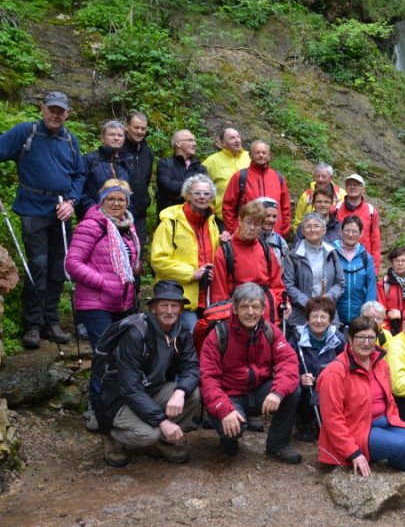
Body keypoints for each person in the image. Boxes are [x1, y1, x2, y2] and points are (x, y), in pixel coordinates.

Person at [0, 91, 84, 348]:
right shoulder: (26, 132)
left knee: (59, 268)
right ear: (42, 108)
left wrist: (71, 202)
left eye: (61, 111)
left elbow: (79, 175)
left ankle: (52, 321)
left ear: (67, 113)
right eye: (52, 109)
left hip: (61, 211)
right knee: (38, 266)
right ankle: (33, 325)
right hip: (33, 209)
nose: (55, 115)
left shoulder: (70, 140)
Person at [316, 315, 405, 487]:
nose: (366, 342)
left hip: (384, 421)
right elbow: (332, 418)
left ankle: (392, 456)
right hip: (356, 427)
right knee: (401, 445)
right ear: (350, 339)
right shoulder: (336, 372)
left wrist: (396, 421)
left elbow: (389, 399)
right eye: (360, 337)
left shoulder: (380, 363)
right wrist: (353, 452)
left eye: (371, 337)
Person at [95, 280, 200, 467]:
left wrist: (180, 391)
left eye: (174, 305)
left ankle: (161, 442)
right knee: (149, 434)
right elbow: (130, 388)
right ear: (153, 308)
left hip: (153, 389)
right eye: (163, 305)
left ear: (181, 309)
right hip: (120, 398)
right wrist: (161, 421)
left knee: (193, 394)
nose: (169, 311)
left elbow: (191, 366)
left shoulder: (181, 331)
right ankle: (111, 435)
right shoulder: (136, 334)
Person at [199, 282, 301, 463]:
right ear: (235, 309)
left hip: (260, 389)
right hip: (230, 394)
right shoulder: (218, 335)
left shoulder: (270, 330)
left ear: (263, 309)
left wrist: (277, 393)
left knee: (292, 390)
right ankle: (228, 439)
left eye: (255, 306)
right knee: (233, 429)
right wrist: (225, 410)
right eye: (244, 306)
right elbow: (208, 379)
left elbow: (288, 362)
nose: (250, 312)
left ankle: (277, 445)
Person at [66, 179, 141, 411]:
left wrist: (134, 266)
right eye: (111, 198)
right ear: (102, 200)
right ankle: (97, 407)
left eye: (121, 199)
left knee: (121, 355)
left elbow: (126, 258)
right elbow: (72, 262)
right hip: (95, 302)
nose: (117, 203)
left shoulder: (127, 226)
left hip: (122, 301)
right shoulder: (91, 226)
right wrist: (102, 281)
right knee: (103, 354)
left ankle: (115, 404)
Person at [150, 174, 220, 332]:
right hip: (178, 298)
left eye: (206, 194)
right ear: (187, 195)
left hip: (207, 296)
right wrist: (192, 273)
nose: (202, 197)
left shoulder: (212, 223)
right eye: (197, 193)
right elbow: (158, 260)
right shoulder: (170, 223)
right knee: (190, 339)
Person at [210, 199, 285, 324]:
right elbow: (219, 292)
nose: (251, 228)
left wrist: (283, 302)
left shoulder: (266, 248)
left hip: (267, 315)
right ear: (240, 221)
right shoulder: (225, 250)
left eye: (256, 224)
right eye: (248, 222)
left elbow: (277, 283)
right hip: (239, 313)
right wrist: (224, 318)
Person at [289, 296, 344, 441]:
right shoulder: (296, 337)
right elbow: (287, 365)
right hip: (306, 386)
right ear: (307, 318)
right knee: (299, 390)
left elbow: (345, 364)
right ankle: (303, 423)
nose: (318, 321)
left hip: (329, 385)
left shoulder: (338, 339)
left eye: (323, 317)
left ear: (330, 319)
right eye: (314, 316)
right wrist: (300, 377)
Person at [284, 212, 345, 327]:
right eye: (308, 226)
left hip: (327, 312)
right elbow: (288, 284)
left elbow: (340, 282)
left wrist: (329, 297)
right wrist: (308, 303)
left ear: (324, 230)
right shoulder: (293, 255)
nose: (313, 230)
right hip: (301, 314)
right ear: (302, 231)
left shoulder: (331, 252)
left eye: (316, 226)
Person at [221, 140, 290, 238]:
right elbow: (228, 206)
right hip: (247, 233)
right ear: (250, 155)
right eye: (257, 152)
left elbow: (285, 208)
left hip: (274, 234)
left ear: (269, 155)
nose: (261, 155)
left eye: (264, 153)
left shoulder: (278, 178)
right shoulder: (240, 176)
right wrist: (233, 230)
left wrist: (283, 232)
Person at [78, 121, 132, 221]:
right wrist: (96, 212)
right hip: (93, 220)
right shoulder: (90, 160)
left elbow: (129, 194)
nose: (116, 138)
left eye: (120, 135)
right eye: (112, 134)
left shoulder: (125, 163)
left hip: (120, 221)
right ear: (102, 138)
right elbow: (80, 191)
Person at [335, 215, 377, 326]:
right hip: (335, 313)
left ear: (361, 233)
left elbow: (371, 286)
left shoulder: (366, 257)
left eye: (354, 231)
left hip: (359, 315)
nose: (350, 234)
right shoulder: (332, 254)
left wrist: (368, 311)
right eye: (347, 230)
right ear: (341, 231)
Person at [119, 112, 153, 251]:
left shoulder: (147, 152)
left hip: (139, 214)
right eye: (136, 127)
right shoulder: (118, 148)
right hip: (119, 211)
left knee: (137, 254)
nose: (140, 132)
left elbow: (146, 179)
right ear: (127, 127)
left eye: (143, 129)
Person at [202, 127, 249, 222]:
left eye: (238, 137)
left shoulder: (250, 156)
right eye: (232, 138)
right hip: (223, 217)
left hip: (250, 216)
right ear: (223, 143)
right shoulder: (211, 161)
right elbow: (200, 186)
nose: (237, 140)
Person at [334, 173, 381, 270]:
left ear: (363, 189)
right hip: (339, 259)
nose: (352, 187)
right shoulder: (336, 208)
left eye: (356, 185)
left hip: (363, 261)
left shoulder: (371, 211)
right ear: (346, 188)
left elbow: (375, 241)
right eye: (349, 185)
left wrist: (374, 268)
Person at [155, 129, 208, 212]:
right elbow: (167, 185)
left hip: (194, 216)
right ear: (178, 143)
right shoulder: (165, 164)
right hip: (170, 217)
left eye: (194, 141)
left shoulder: (200, 168)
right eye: (190, 140)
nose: (194, 143)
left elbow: (205, 189)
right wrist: (194, 188)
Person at [291, 162, 342, 232]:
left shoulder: (341, 194)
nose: (320, 180)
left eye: (324, 176)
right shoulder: (306, 195)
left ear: (331, 178)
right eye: (318, 176)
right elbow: (298, 221)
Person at [256, 197, 288, 264]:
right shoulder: (247, 239)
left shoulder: (281, 243)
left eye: (274, 216)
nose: (271, 220)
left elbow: (285, 270)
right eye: (267, 216)